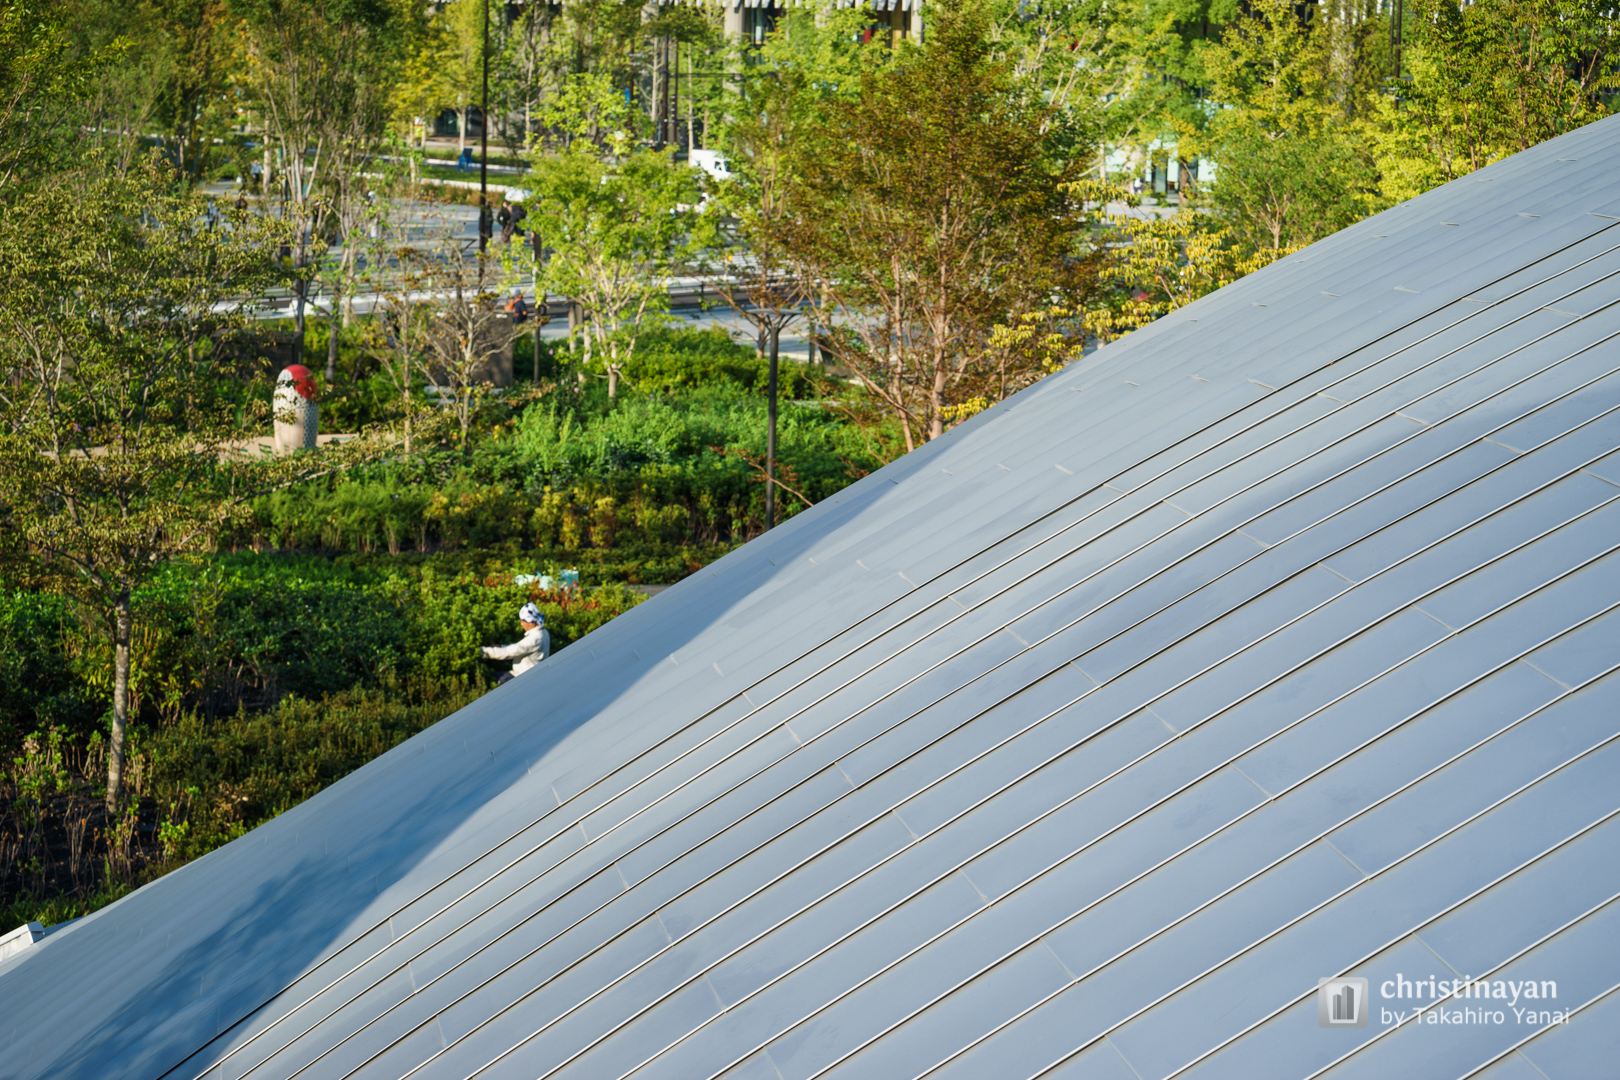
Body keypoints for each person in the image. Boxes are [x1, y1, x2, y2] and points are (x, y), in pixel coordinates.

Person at [481, 603, 549, 685]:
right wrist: (500, 646)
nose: (521, 624)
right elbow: (517, 648)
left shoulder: (535, 639)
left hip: (522, 677)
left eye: (523, 621)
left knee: (488, 680)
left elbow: (510, 652)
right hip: (530, 675)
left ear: (531, 623)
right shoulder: (543, 632)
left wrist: (484, 652)